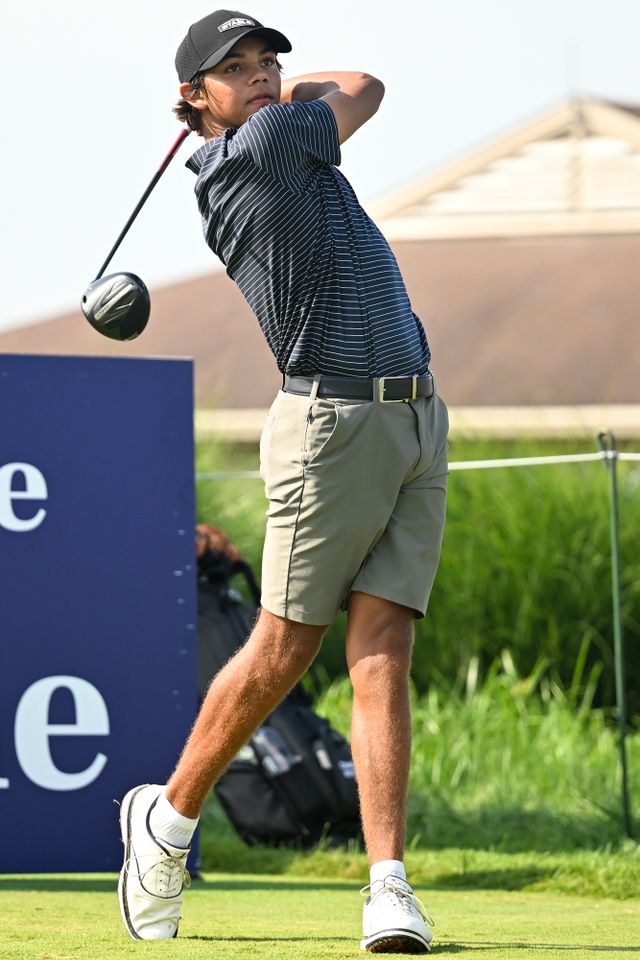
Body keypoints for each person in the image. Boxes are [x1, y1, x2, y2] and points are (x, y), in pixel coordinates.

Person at [117, 9, 448, 954]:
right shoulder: (260, 150)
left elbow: (347, 90)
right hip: (331, 426)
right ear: (194, 97)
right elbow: (367, 86)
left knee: (383, 646)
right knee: (283, 647)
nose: (262, 76)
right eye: (237, 66)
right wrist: (270, 102)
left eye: (268, 61)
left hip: (417, 412)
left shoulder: (268, 137)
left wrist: (252, 93)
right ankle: (168, 822)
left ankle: (388, 885)